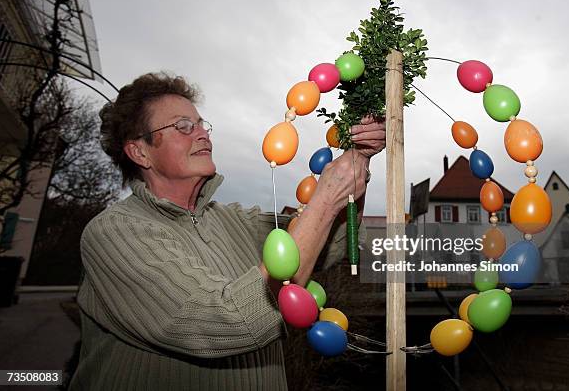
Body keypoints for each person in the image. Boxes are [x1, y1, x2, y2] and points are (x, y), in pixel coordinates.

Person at [69, 72, 386, 390]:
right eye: (183, 126)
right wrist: (327, 197)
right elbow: (221, 322)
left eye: (202, 124)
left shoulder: (233, 219)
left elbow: (329, 246)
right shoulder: (116, 233)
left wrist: (357, 155)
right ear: (139, 152)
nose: (203, 134)